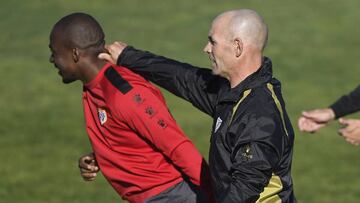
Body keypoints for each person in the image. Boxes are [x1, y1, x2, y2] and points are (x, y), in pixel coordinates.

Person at [82, 9, 297, 202]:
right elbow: (182, 77)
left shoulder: (260, 116)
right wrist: (129, 56)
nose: (206, 49)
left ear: (237, 46)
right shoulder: (232, 91)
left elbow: (244, 191)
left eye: (213, 42)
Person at [49, 12, 212, 203]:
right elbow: (125, 133)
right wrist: (101, 157)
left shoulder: (124, 94)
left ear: (75, 53)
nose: (52, 60)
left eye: (55, 52)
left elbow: (178, 147)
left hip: (173, 196)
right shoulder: (94, 86)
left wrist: (214, 197)